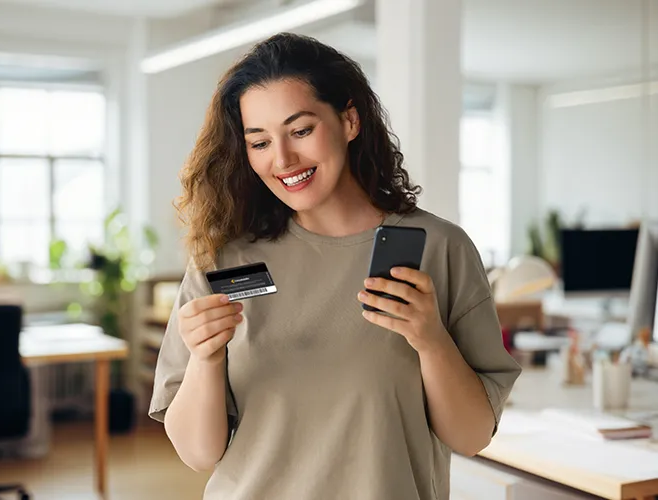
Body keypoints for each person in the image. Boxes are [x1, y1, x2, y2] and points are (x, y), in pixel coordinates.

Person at [150, 32, 521, 500]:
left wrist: (431, 341)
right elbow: (199, 454)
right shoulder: (224, 260)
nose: (282, 159)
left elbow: (471, 436)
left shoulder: (439, 248)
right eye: (259, 142)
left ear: (349, 120)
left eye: (301, 131)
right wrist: (204, 358)